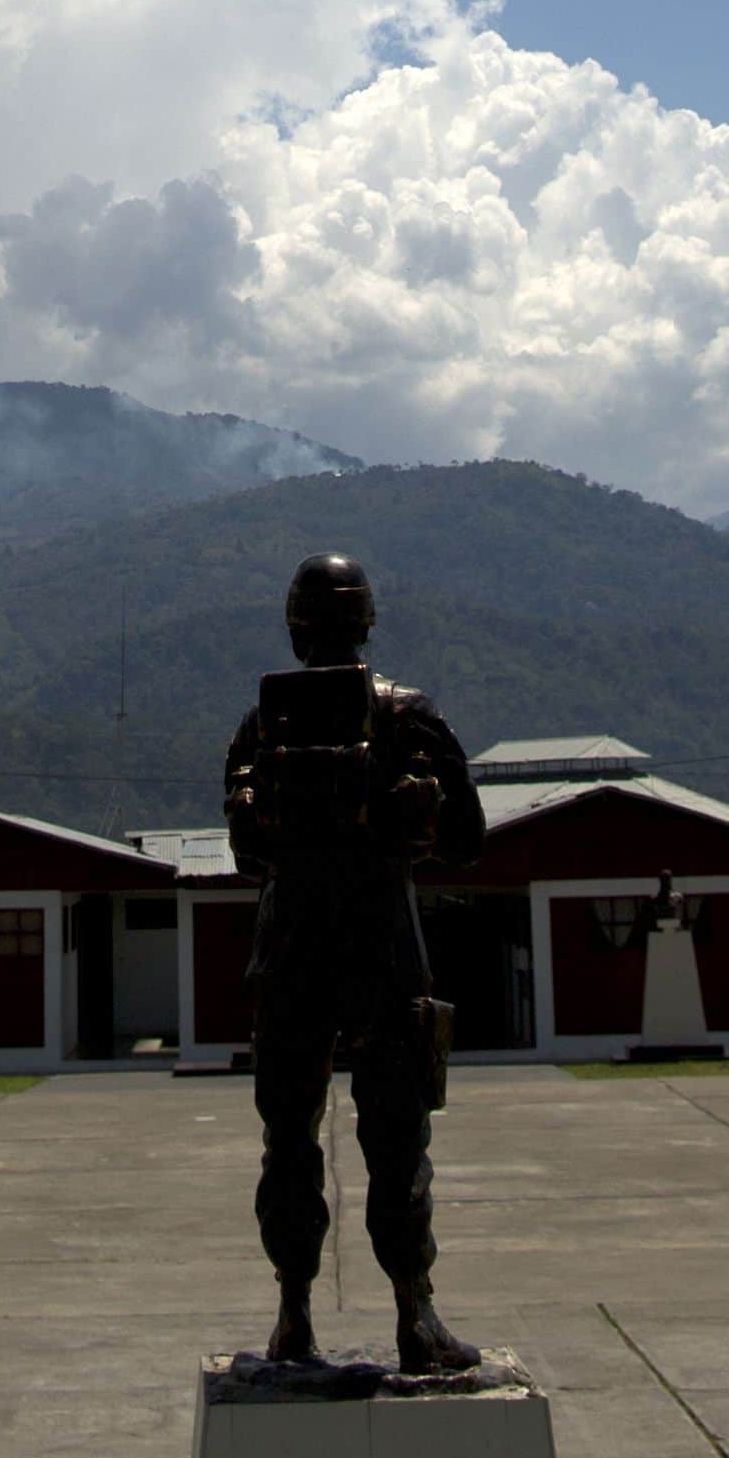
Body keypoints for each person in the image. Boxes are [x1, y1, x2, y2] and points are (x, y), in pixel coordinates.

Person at [223, 551, 485, 1375]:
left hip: (291, 949)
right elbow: (470, 838)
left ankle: (292, 1320)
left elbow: (245, 850)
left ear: (293, 630)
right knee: (398, 1138)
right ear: (368, 622)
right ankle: (416, 1316)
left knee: (288, 1141)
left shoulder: (263, 724)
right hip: (382, 948)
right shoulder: (408, 713)